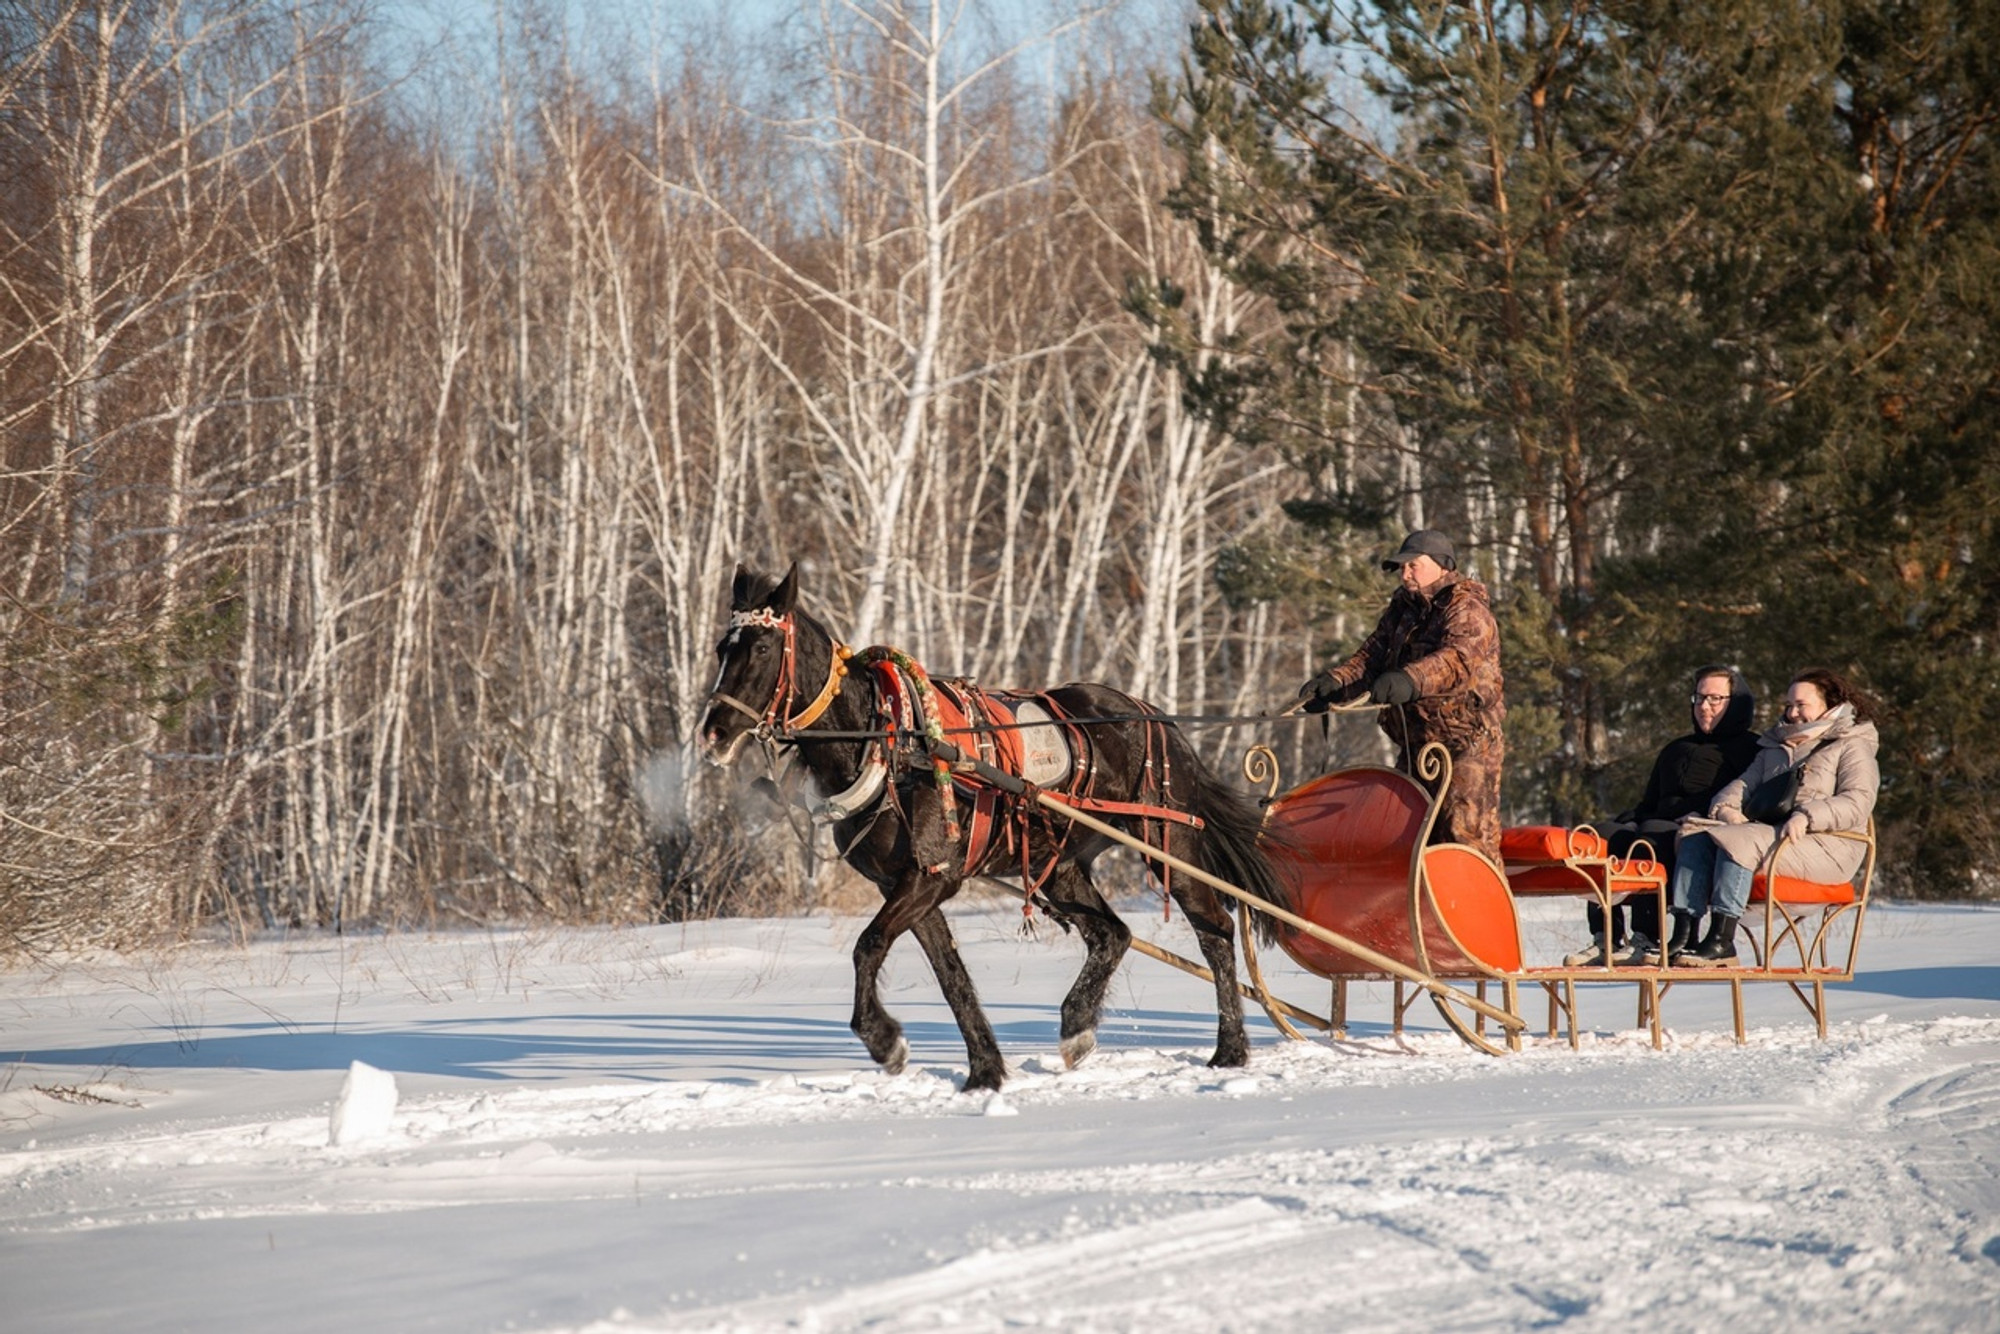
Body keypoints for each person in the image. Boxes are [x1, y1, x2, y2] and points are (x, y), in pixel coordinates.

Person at [1298, 529, 1506, 866]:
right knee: (1404, 838)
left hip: (1468, 745)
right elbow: (1368, 661)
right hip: (1416, 746)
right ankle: (1417, 915)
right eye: (1401, 568)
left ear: (1442, 565)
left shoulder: (1467, 608)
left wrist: (1409, 679)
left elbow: (1459, 659)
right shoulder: (1401, 609)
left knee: (1464, 838)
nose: (1405, 574)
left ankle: (1481, 913)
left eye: (1413, 566)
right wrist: (1333, 684)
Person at [1663, 667, 1881, 968]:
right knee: (1695, 835)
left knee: (1740, 840)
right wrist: (1727, 810)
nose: (1792, 713)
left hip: (1830, 845)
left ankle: (1721, 940)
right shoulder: (1776, 748)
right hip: (1776, 839)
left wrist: (1807, 816)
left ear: (1830, 704)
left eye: (1801, 705)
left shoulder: (1850, 745)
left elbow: (1858, 801)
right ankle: (1684, 933)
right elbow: (1738, 788)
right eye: (1788, 705)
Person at [1561, 665, 1760, 966]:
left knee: (1652, 835)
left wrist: (1695, 814)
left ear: (1737, 703)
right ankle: (1607, 938)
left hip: (1702, 829)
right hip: (1659, 820)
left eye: (1715, 699)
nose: (1704, 706)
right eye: (1699, 698)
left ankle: (1647, 936)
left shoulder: (1751, 749)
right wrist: (1628, 818)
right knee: (1598, 834)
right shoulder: (1675, 748)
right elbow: (1650, 801)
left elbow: (1743, 799)